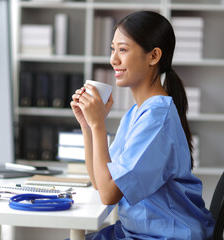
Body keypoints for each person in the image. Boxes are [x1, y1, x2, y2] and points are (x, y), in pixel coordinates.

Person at [70, 10, 214, 239]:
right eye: (112, 49)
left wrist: (98, 125)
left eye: (123, 50)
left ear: (153, 56)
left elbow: (108, 194)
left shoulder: (156, 119)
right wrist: (88, 126)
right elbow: (100, 182)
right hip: (136, 232)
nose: (113, 59)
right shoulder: (137, 113)